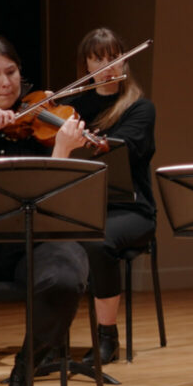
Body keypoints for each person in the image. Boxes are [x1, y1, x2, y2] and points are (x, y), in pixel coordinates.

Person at [0, 33, 89, 386]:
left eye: (11, 72)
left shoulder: (48, 123)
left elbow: (63, 199)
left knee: (65, 277)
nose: (6, 83)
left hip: (37, 241)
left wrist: (63, 149)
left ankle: (25, 371)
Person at [64, 27, 157, 365]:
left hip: (131, 209)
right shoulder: (70, 107)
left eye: (113, 57)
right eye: (97, 59)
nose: (107, 66)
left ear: (124, 61)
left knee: (97, 241)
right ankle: (51, 337)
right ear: (85, 65)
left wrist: (85, 140)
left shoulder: (139, 108)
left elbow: (127, 151)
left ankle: (108, 338)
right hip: (80, 206)